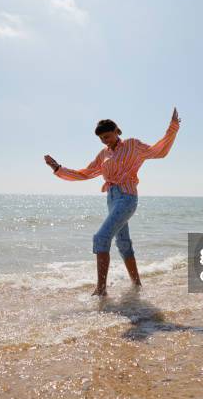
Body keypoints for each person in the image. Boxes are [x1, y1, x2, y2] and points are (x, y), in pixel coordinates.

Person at [44, 107, 181, 296]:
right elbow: (85, 173)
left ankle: (101, 290)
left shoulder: (133, 145)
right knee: (123, 242)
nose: (105, 141)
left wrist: (172, 128)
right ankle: (137, 285)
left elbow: (158, 151)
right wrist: (58, 168)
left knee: (101, 237)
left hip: (127, 197)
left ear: (117, 131)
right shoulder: (103, 154)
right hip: (111, 199)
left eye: (107, 136)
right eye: (101, 138)